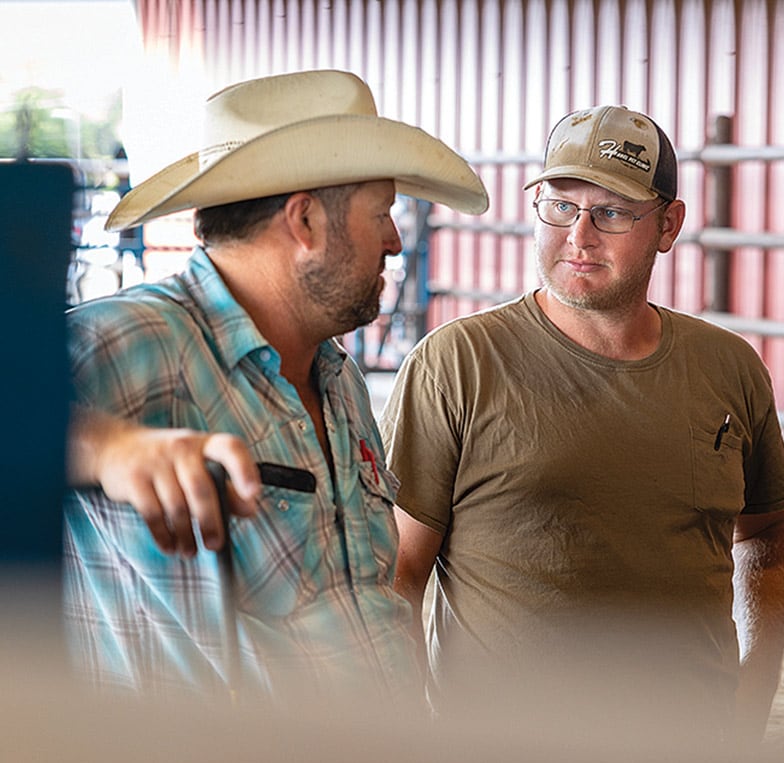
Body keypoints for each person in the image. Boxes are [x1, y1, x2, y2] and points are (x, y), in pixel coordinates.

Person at [379, 105, 784, 748]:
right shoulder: (458, 365)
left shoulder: (728, 368)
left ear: (669, 225)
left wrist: (756, 686)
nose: (578, 237)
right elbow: (398, 576)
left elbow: (769, 535)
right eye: (559, 206)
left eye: (611, 212)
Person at [62, 70, 488, 705]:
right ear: (307, 221)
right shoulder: (132, 340)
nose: (396, 241)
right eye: (382, 215)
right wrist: (106, 446)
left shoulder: (337, 378)